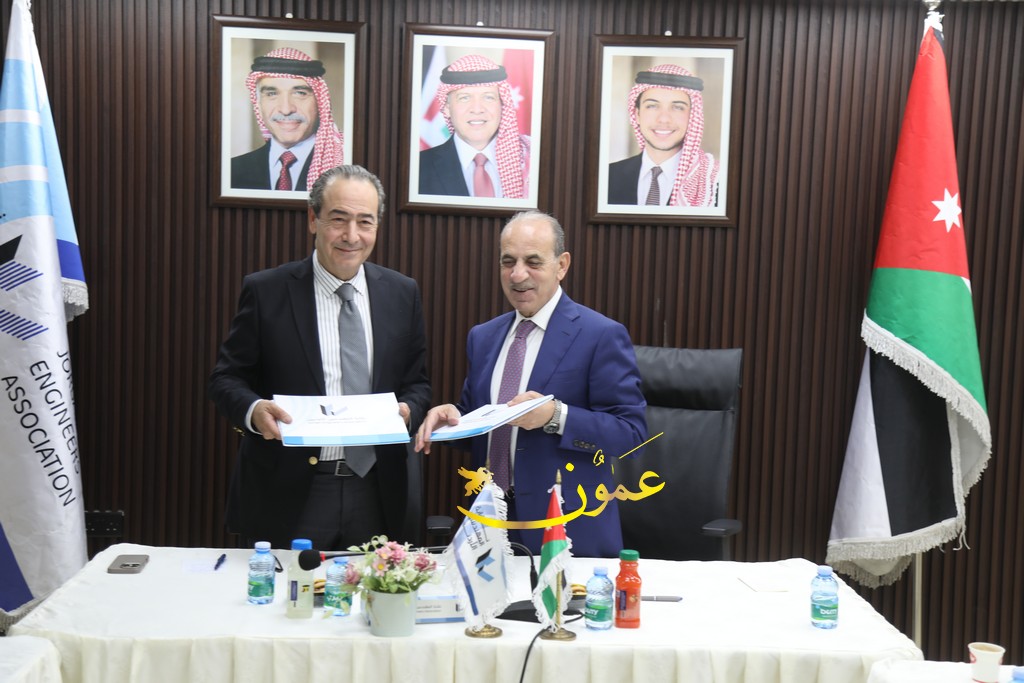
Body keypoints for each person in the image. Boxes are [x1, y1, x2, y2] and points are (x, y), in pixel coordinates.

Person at [209, 165, 430, 550]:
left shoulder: (401, 293)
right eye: (338, 219)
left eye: (365, 222)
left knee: (373, 589)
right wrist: (254, 410)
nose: (351, 236)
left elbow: (418, 383)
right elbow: (226, 378)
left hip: (378, 489)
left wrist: (410, 409)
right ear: (313, 219)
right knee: (288, 589)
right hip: (292, 490)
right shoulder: (267, 291)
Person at [414, 211, 646, 558]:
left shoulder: (600, 335)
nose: (517, 274)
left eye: (533, 262)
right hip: (490, 525)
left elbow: (631, 434)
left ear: (562, 265)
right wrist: (451, 420)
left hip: (567, 529)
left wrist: (556, 416)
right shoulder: (484, 337)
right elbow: (485, 424)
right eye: (508, 261)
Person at [231, 47, 344, 192]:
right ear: (258, 104)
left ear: (320, 103)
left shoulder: (344, 168)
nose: (286, 109)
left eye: (300, 93)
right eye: (271, 94)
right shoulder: (232, 171)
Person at [608, 64, 720, 208]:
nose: (664, 119)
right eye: (652, 106)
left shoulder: (714, 183)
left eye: (678, 107)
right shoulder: (606, 176)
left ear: (692, 117)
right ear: (637, 114)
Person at [419, 54, 530, 199]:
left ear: (502, 105)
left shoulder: (531, 160)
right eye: (464, 98)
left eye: (488, 97)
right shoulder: (418, 167)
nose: (477, 109)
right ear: (447, 108)